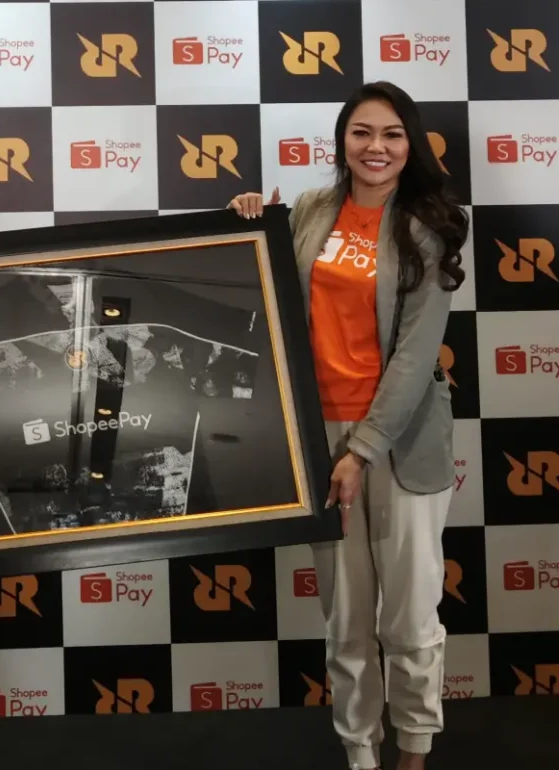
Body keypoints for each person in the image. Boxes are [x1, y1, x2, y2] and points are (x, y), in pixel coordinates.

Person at [227, 81, 468, 770]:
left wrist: (360, 452)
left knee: (409, 617)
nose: (375, 147)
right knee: (347, 619)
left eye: (391, 134)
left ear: (410, 144)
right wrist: (246, 219)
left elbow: (415, 358)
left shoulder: (432, 224)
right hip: (318, 436)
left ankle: (413, 754)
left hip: (399, 444)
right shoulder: (310, 209)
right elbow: (262, 289)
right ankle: (360, 754)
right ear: (342, 142)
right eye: (362, 132)